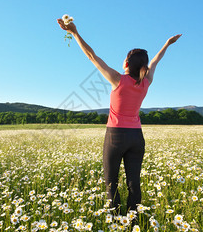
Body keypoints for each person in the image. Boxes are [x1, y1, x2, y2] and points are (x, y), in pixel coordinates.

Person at [57, 18, 181, 215]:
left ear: (125, 63)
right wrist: (167, 44)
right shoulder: (146, 82)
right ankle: (133, 221)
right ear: (144, 67)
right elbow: (156, 60)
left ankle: (116, 222)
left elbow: (91, 56)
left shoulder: (118, 79)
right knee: (134, 182)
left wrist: (74, 33)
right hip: (137, 138)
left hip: (115, 136)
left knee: (111, 181)